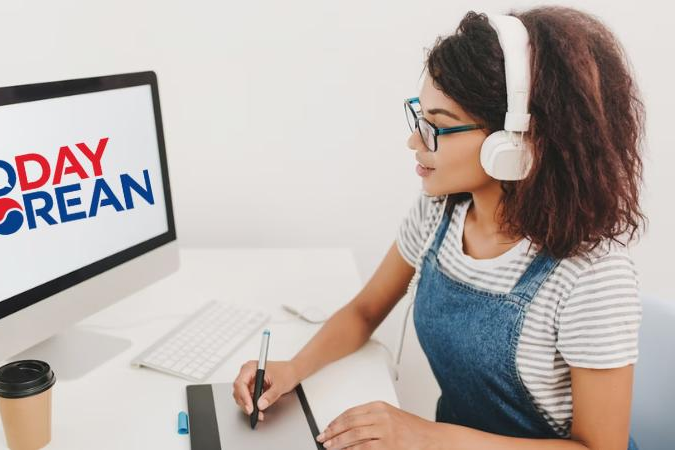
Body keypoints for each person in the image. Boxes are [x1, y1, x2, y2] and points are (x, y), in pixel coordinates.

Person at [233, 6, 645, 450]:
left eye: (438, 127)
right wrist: (291, 370)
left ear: (516, 142)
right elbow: (365, 311)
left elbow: (601, 448)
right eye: (419, 119)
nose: (415, 141)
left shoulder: (593, 275)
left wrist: (426, 436)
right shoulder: (438, 215)